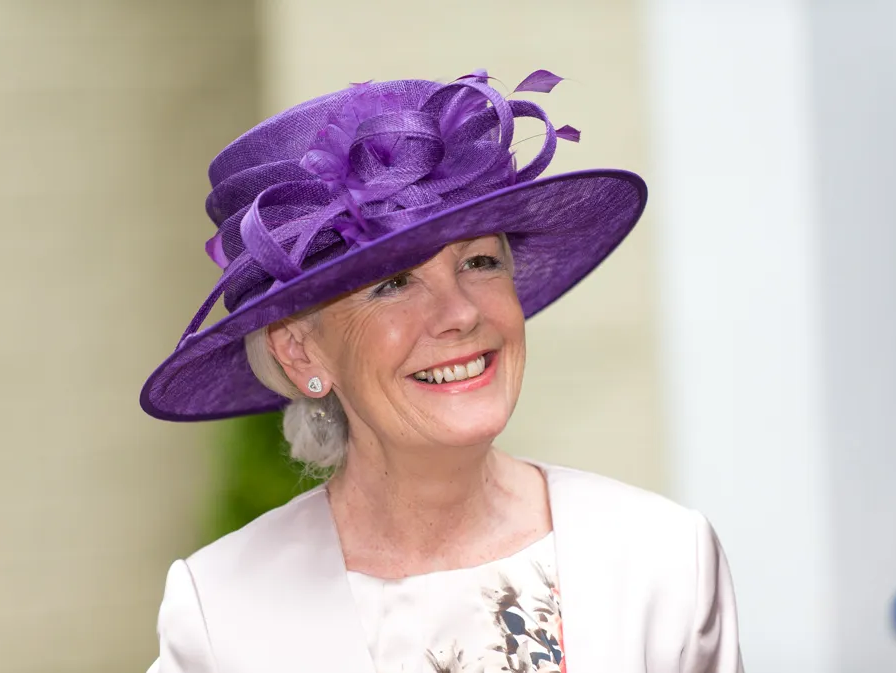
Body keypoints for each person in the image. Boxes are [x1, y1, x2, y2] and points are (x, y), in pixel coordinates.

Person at [140, 69, 744, 673]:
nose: (459, 314)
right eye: (394, 284)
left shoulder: (664, 559)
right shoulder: (222, 612)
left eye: (480, 262)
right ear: (300, 352)